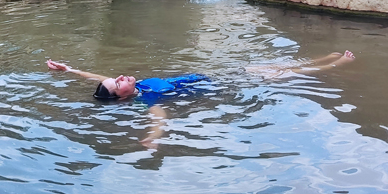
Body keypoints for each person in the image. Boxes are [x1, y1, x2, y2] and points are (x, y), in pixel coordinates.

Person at [47, 51, 355, 148]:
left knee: (277, 66)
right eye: (118, 82)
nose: (121, 76)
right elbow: (159, 118)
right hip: (220, 85)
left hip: (215, 75)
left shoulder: (136, 86)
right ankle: (334, 64)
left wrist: (70, 69)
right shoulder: (146, 98)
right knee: (283, 74)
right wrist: (152, 138)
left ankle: (324, 58)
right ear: (121, 96)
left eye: (119, 77)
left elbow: (96, 78)